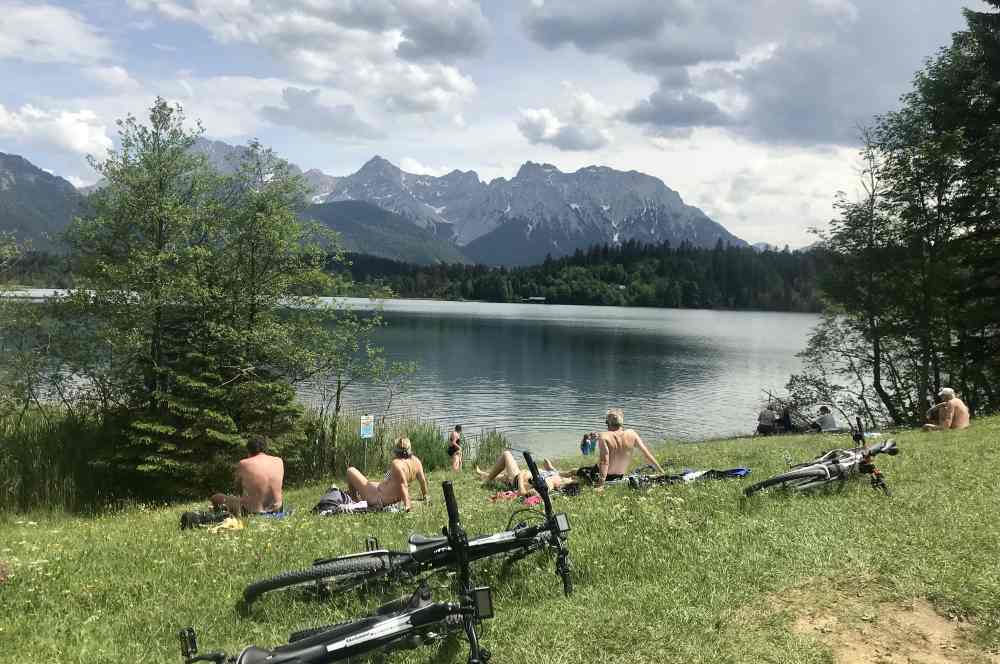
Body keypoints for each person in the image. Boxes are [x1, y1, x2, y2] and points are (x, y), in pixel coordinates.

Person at [345, 437, 429, 512]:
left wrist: (407, 506)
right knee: (372, 483)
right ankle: (355, 494)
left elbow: (403, 484)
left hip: (378, 499)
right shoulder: (416, 461)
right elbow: (422, 481)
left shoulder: (397, 464)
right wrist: (425, 496)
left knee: (350, 471)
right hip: (391, 496)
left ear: (396, 451)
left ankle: (354, 499)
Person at [590, 408, 664, 490]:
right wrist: (661, 471)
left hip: (603, 476)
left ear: (608, 423)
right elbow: (646, 454)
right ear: (621, 423)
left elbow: (604, 462)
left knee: (580, 471)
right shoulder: (632, 433)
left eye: (606, 422)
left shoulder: (603, 436)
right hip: (620, 476)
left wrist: (601, 484)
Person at [210, 434, 284, 516]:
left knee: (216, 497)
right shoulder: (279, 461)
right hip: (277, 510)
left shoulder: (244, 463)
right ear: (265, 449)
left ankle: (218, 516)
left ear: (249, 450)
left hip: (252, 512)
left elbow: (238, 489)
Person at [475, 449, 576, 496]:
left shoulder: (551, 484)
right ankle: (483, 474)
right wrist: (549, 465)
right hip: (520, 475)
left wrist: (521, 475)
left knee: (506, 454)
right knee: (504, 476)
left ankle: (487, 481)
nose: (571, 477)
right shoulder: (557, 476)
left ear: (565, 485)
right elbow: (571, 472)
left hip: (518, 478)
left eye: (571, 479)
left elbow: (524, 494)